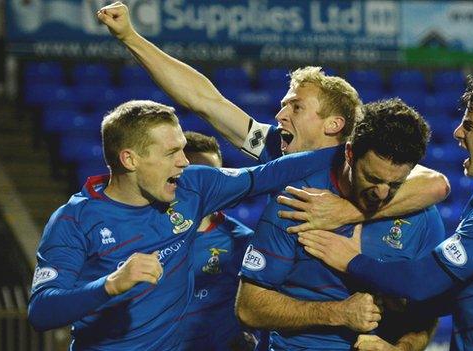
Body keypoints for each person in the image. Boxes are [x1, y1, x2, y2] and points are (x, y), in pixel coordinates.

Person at [97, 2, 451, 233]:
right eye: (284, 104)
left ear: (334, 124)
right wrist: (130, 37)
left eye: (296, 107)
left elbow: (436, 184)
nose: (280, 114)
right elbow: (206, 101)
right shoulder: (275, 149)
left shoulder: (364, 159)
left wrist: (348, 213)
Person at [27, 100, 345, 350]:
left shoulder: (192, 187)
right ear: (129, 160)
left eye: (182, 148)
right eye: (171, 152)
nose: (184, 160)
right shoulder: (74, 221)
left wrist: (348, 150)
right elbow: (41, 312)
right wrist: (111, 284)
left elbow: (269, 174)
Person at [297, 69, 473, 351]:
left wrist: (351, 260)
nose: (458, 133)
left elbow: (422, 281)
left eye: (470, 126)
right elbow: (462, 291)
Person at [236, 98, 445, 350]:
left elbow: (427, 313)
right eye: (372, 178)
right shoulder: (299, 203)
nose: (381, 193)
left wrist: (401, 349)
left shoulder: (422, 215)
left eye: (395, 184)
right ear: (349, 153)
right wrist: (337, 313)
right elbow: (249, 307)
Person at [180, 131, 257, 351]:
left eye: (211, 177)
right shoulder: (143, 234)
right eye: (192, 176)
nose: (202, 186)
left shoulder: (243, 242)